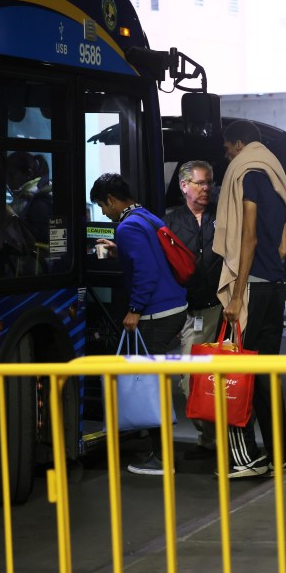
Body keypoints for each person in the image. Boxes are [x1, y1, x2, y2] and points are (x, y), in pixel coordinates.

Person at [214, 120, 286, 478]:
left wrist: (235, 296)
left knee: (235, 373)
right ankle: (283, 451)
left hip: (250, 287)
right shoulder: (276, 173)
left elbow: (247, 238)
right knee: (265, 372)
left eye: (228, 149)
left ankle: (245, 458)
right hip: (275, 287)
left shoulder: (248, 174)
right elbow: (282, 243)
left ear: (237, 145)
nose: (229, 156)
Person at [90, 173, 188, 475]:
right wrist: (121, 251)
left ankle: (162, 459)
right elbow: (153, 256)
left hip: (156, 312)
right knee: (154, 380)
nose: (104, 213)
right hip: (175, 304)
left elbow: (145, 272)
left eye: (103, 207)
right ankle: (161, 452)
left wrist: (134, 309)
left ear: (111, 200)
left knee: (151, 384)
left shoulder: (128, 226)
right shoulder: (145, 216)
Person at [164, 160, 223, 460]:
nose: (205, 188)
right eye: (199, 183)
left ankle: (217, 440)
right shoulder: (170, 221)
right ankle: (209, 436)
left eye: (209, 182)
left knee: (218, 378)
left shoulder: (221, 216)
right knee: (191, 380)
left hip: (217, 308)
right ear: (184, 185)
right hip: (186, 310)